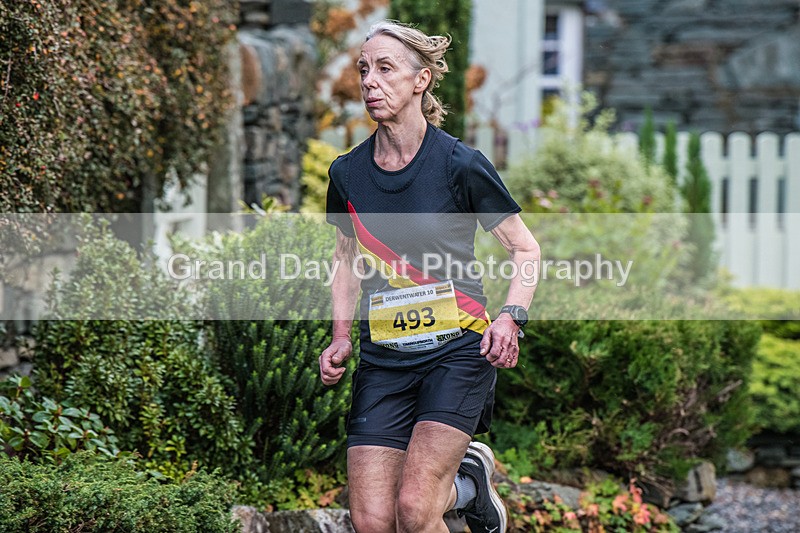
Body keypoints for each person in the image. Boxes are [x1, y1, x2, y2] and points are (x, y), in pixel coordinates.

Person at [320, 20, 540, 533]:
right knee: (372, 521)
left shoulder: (460, 165)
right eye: (363, 70)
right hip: (385, 357)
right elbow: (345, 260)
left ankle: (465, 486)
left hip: (459, 349)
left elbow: (525, 248)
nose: (370, 81)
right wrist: (341, 335)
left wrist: (511, 318)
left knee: (416, 509)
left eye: (385, 68)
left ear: (420, 80)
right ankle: (467, 487)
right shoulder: (346, 174)